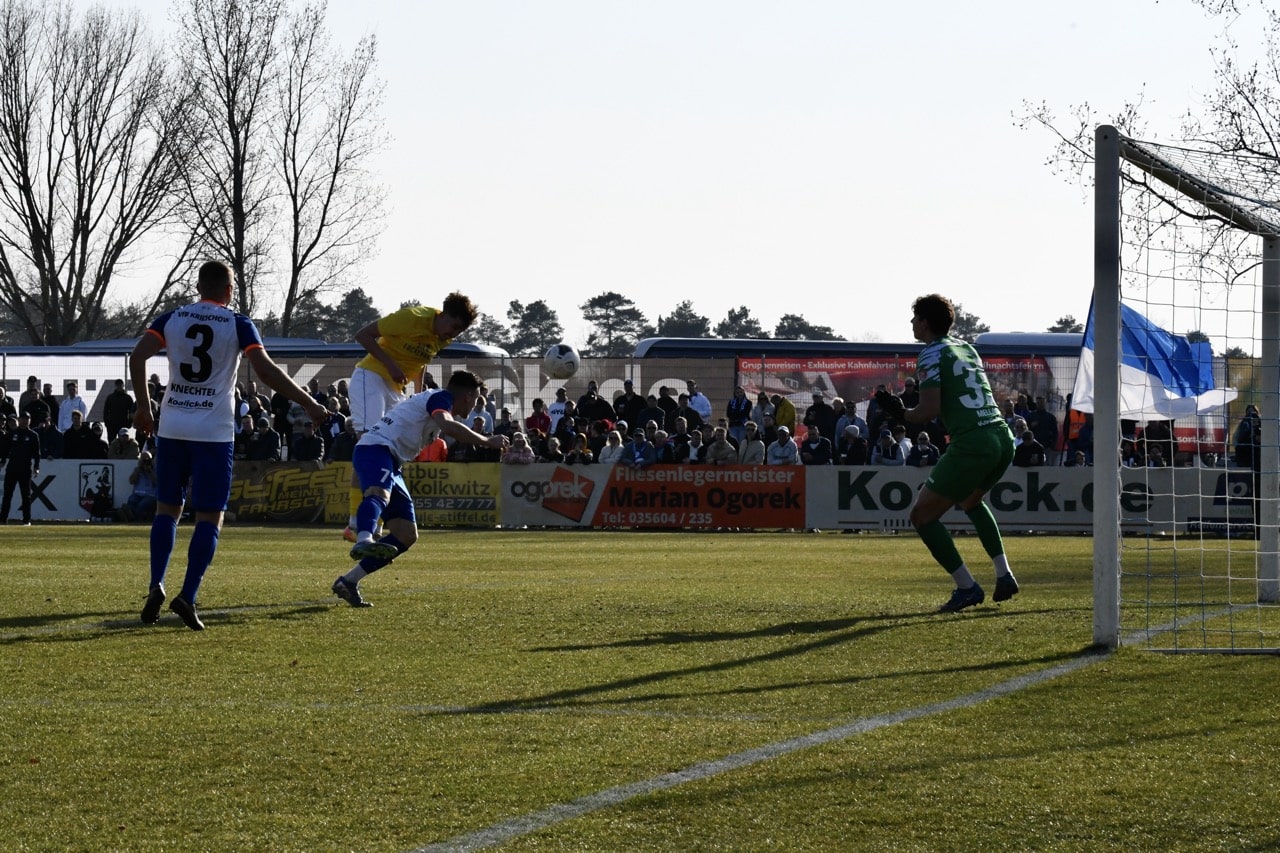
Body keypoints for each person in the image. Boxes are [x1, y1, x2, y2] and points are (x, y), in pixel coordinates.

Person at [130, 260, 327, 631]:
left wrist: (144, 405)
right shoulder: (237, 323)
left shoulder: (171, 317)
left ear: (199, 286)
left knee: (167, 510)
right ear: (229, 290)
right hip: (213, 432)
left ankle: (156, 584)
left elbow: (138, 356)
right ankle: (187, 595)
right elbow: (266, 371)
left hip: (172, 425)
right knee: (210, 516)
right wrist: (308, 402)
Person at [332, 370, 508, 607]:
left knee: (406, 535)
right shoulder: (440, 398)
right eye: (476, 399)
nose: (476, 405)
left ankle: (349, 581)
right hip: (376, 449)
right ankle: (363, 538)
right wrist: (487, 440)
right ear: (467, 396)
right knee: (378, 494)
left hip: (392, 461)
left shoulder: (436, 400)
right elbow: (449, 425)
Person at [889, 293, 1018, 612]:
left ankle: (967, 587)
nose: (911, 323)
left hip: (972, 442)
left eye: (915, 317)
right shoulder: (967, 347)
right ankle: (1004, 575)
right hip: (1001, 437)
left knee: (921, 516)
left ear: (925, 322)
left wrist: (900, 413)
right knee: (972, 501)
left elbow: (928, 411)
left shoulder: (930, 354)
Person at [343, 292, 479, 542]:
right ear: (443, 314)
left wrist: (418, 394)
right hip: (370, 376)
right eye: (454, 326)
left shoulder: (442, 338)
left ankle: (373, 521)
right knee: (369, 442)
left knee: (390, 453)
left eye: (459, 332)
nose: (453, 334)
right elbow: (363, 335)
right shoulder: (411, 318)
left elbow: (420, 361)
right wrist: (391, 365)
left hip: (395, 388)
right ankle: (355, 523)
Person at [0, 412, 40, 524]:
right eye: (22, 418)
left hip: (25, 470)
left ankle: (26, 520)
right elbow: (5, 450)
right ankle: (3, 519)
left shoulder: (33, 435)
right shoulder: (12, 434)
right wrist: (2, 460)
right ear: (19, 420)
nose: (25, 421)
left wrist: (36, 467)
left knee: (26, 496)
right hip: (12, 469)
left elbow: (37, 454)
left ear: (30, 420)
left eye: (27, 419)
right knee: (7, 495)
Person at [120, 450, 159, 522]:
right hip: (137, 494)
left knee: (142, 505)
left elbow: (157, 482)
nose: (145, 462)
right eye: (143, 460)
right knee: (131, 502)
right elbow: (131, 481)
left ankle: (132, 518)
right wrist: (138, 470)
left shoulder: (156, 470)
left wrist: (150, 471)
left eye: (147, 460)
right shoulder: (137, 470)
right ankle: (130, 516)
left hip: (150, 495)